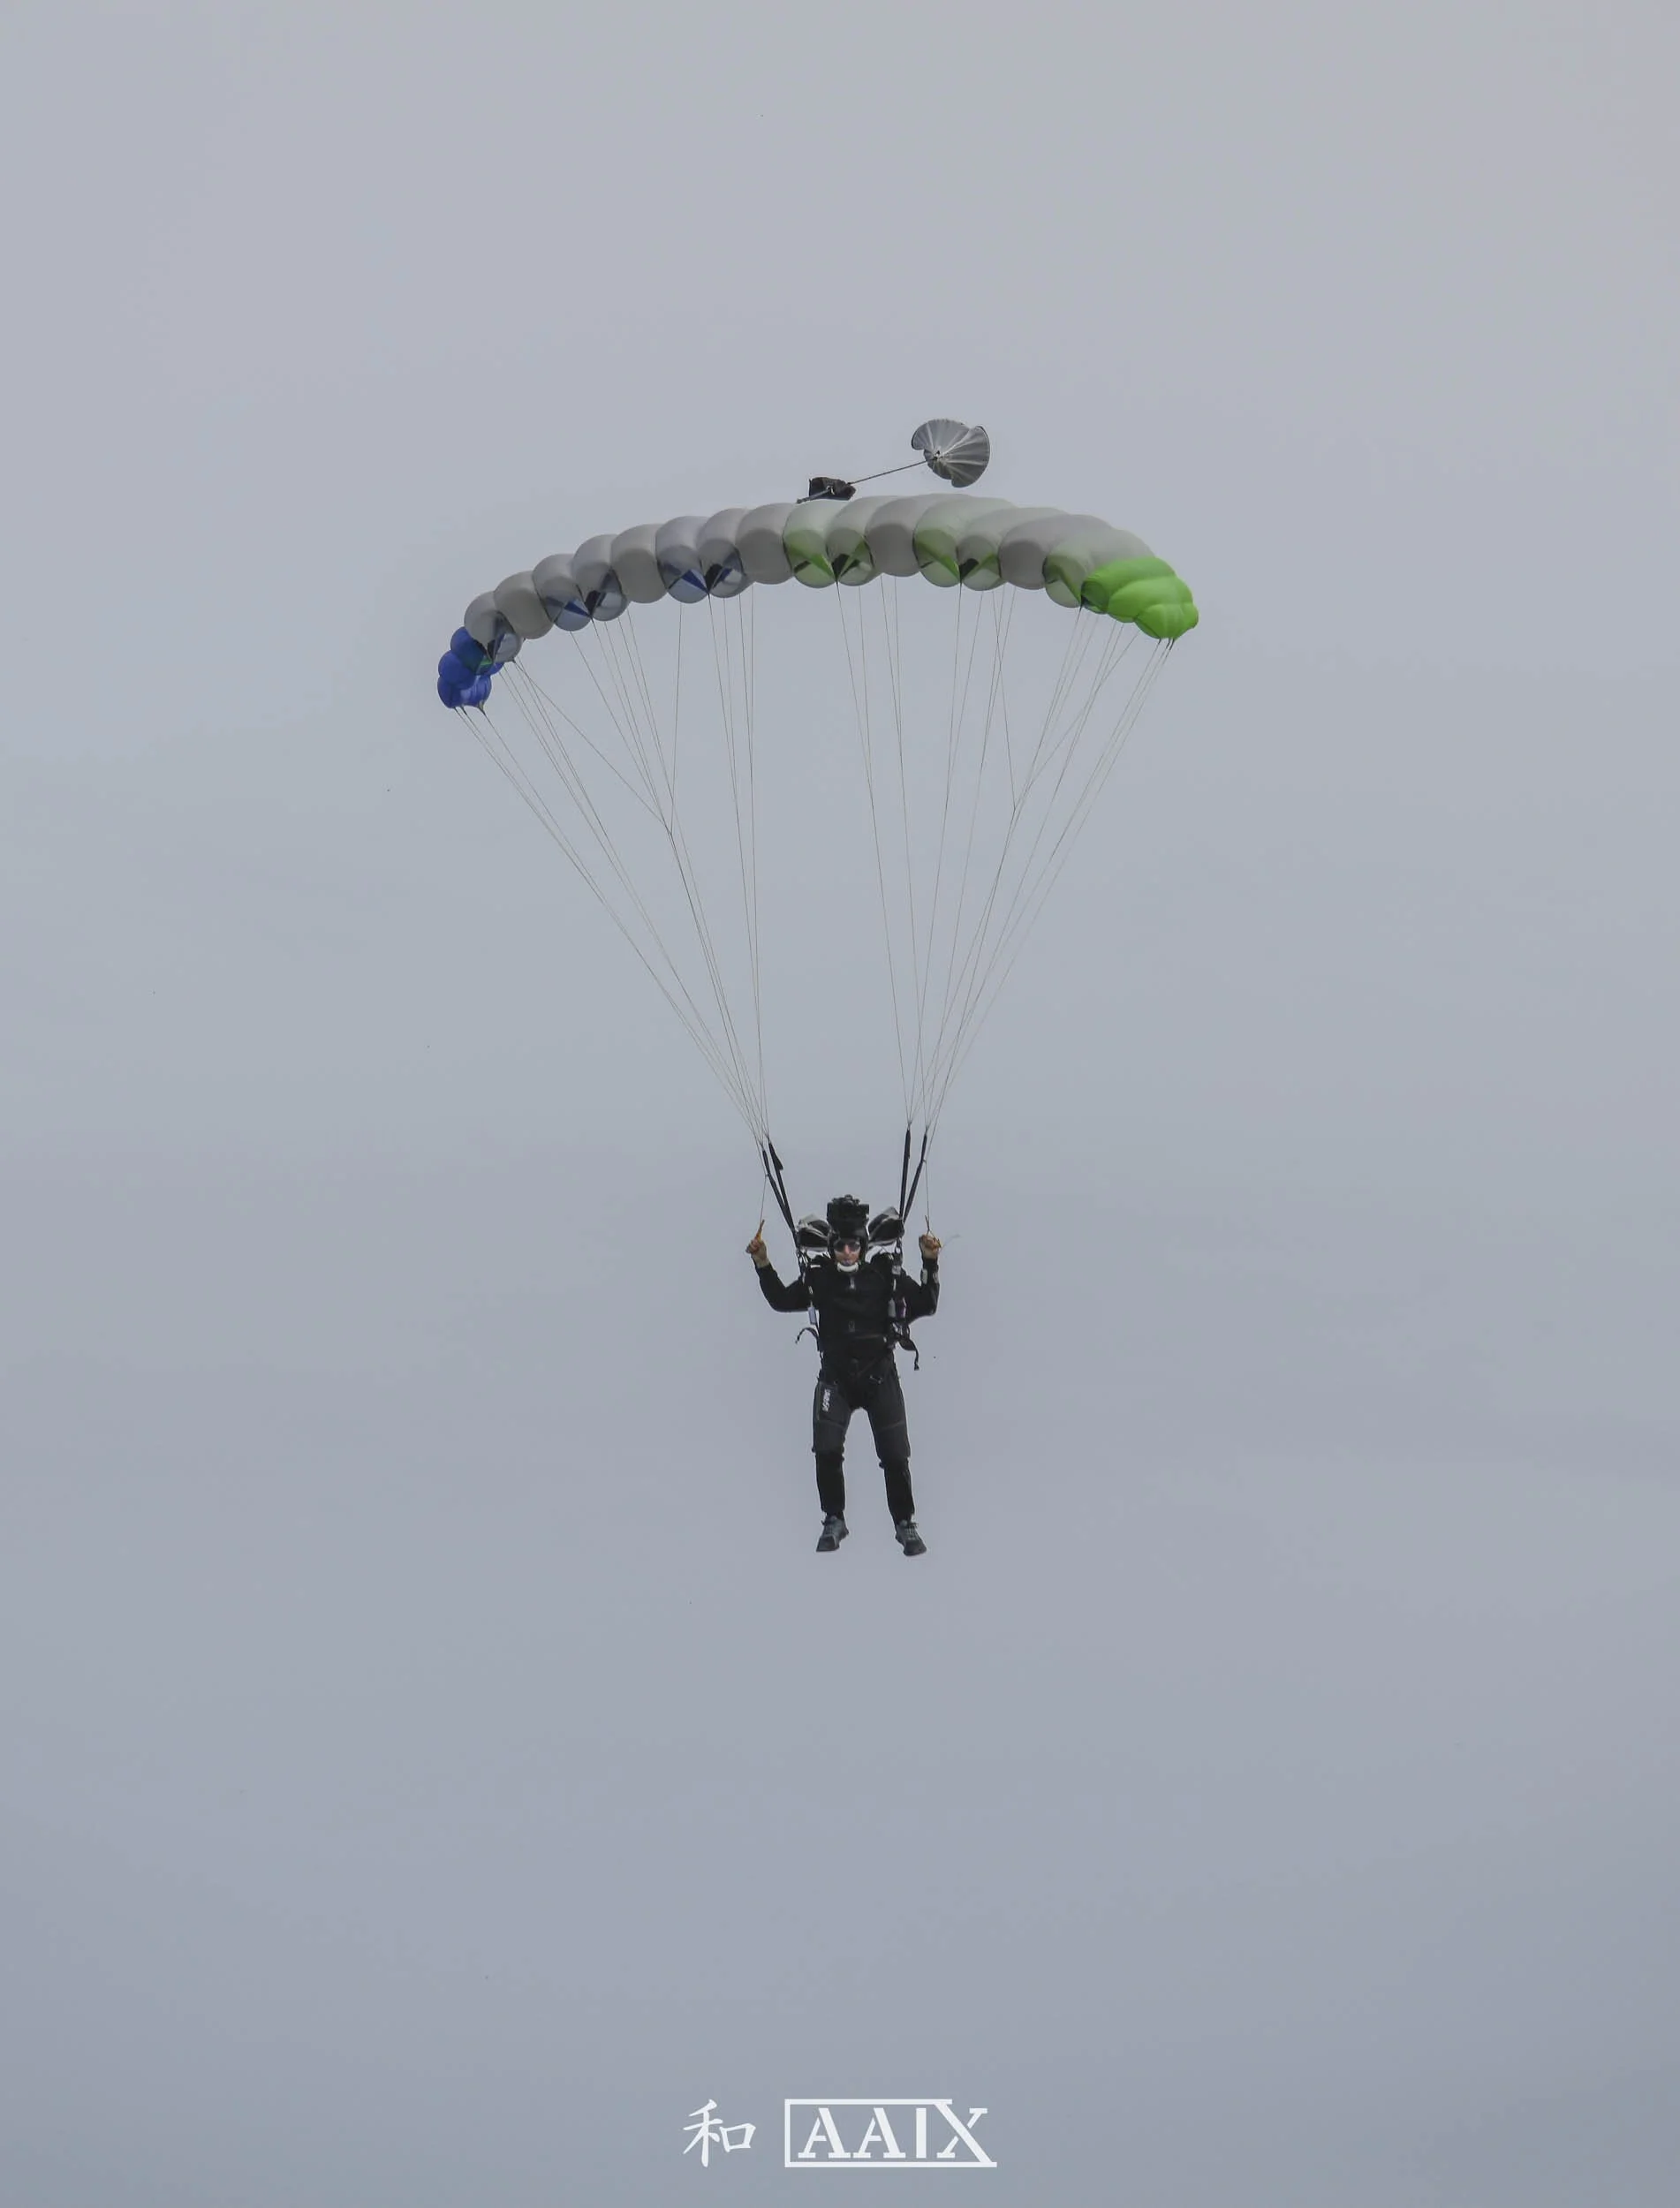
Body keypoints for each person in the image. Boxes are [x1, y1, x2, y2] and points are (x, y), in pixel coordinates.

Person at [746, 1193, 942, 1556]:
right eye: (840, 1246)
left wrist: (930, 1261)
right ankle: (834, 1519)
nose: (847, 1252)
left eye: (854, 1245)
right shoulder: (818, 1279)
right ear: (832, 1246)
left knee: (896, 1453)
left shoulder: (884, 1274)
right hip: (836, 1378)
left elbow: (926, 1304)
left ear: (864, 1246)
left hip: (879, 1375)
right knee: (826, 1448)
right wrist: (762, 1263)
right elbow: (781, 1300)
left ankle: (905, 1523)